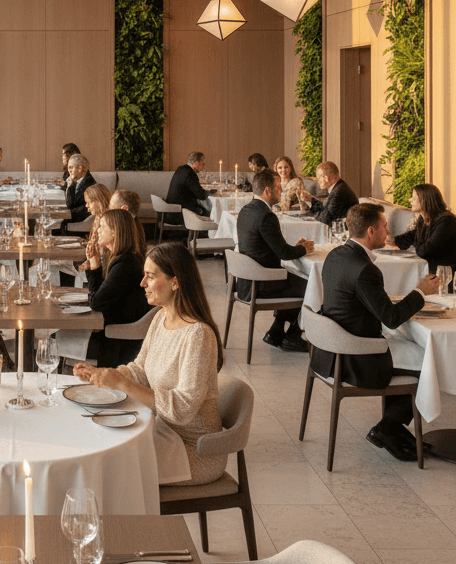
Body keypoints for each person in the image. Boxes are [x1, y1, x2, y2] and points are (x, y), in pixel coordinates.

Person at [73, 242, 225, 486]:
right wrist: (105, 375)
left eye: (150, 276)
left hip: (193, 450)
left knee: (104, 466)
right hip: (159, 429)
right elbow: (140, 369)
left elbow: (182, 409)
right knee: (93, 439)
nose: (142, 283)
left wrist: (122, 383)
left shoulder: (198, 334)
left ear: (175, 282)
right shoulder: (161, 317)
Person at [310, 203, 441, 462]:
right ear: (371, 231)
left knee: (414, 352)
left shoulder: (336, 255)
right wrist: (420, 292)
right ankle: (388, 427)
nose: (388, 231)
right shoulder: (365, 269)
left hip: (329, 352)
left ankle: (394, 430)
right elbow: (391, 319)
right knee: (429, 362)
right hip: (356, 359)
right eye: (384, 226)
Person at [236, 171, 314, 353]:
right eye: (279, 188)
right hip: (263, 284)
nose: (282, 191)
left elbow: (272, 248)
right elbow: (284, 253)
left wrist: (296, 247)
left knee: (296, 278)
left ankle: (276, 331)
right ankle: (293, 336)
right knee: (312, 285)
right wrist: (304, 249)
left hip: (246, 282)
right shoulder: (266, 216)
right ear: (267, 191)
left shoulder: (246, 210)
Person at [79, 209, 149, 366]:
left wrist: (94, 268)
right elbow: (101, 297)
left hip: (119, 343)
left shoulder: (125, 265)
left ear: (115, 232)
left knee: (55, 339)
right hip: (117, 336)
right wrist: (95, 264)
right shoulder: (125, 259)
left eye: (102, 227)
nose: (98, 230)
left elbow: (96, 302)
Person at [388, 183, 456, 274]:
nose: (410, 200)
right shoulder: (424, 218)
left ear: (425, 200)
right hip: (437, 271)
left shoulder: (446, 221)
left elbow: (426, 251)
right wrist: (393, 240)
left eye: (414, 198)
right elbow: (412, 236)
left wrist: (413, 245)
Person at [299, 161, 358, 226]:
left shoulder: (338, 192)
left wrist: (312, 203)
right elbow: (325, 210)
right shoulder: (339, 187)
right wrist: (310, 200)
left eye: (319, 178)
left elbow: (324, 218)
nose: (318, 181)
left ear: (326, 178)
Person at [165, 151, 210, 228]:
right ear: (196, 163)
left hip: (170, 212)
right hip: (179, 214)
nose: (204, 164)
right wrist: (210, 192)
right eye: (203, 161)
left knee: (204, 210)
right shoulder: (190, 174)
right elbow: (201, 195)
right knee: (210, 213)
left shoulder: (180, 169)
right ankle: (204, 234)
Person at [63, 154, 97, 226]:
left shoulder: (89, 185)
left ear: (80, 168)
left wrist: (70, 186)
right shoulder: (78, 180)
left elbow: (71, 206)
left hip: (81, 222)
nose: (69, 171)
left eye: (70, 167)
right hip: (74, 216)